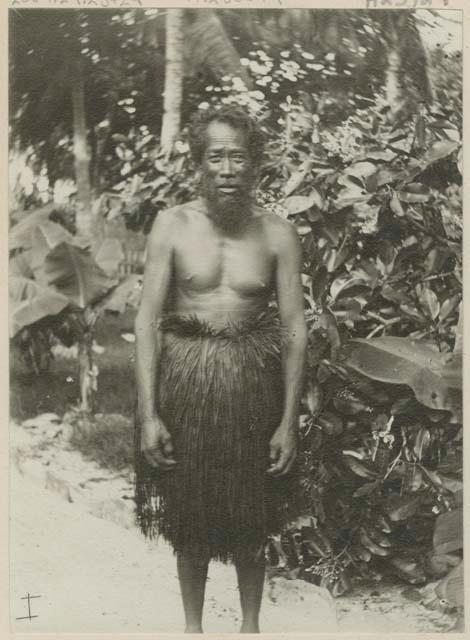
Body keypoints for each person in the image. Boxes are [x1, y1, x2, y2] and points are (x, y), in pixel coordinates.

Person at [134, 105, 307, 634]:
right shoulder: (173, 225)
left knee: (250, 517)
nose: (228, 168)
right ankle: (193, 630)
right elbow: (146, 321)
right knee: (191, 517)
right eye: (217, 157)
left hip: (251, 389)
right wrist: (149, 415)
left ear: (254, 163)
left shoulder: (278, 234)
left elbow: (296, 327)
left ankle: (250, 628)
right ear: (200, 163)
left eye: (238, 156)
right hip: (187, 387)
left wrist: (287, 421)